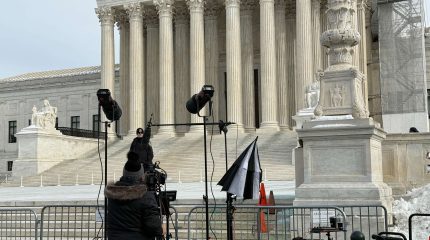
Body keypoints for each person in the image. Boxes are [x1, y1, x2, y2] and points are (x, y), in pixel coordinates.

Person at [105, 151, 163, 240]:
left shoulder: (112, 194)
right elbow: (153, 228)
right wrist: (162, 229)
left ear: (124, 173)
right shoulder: (145, 196)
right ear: (141, 176)